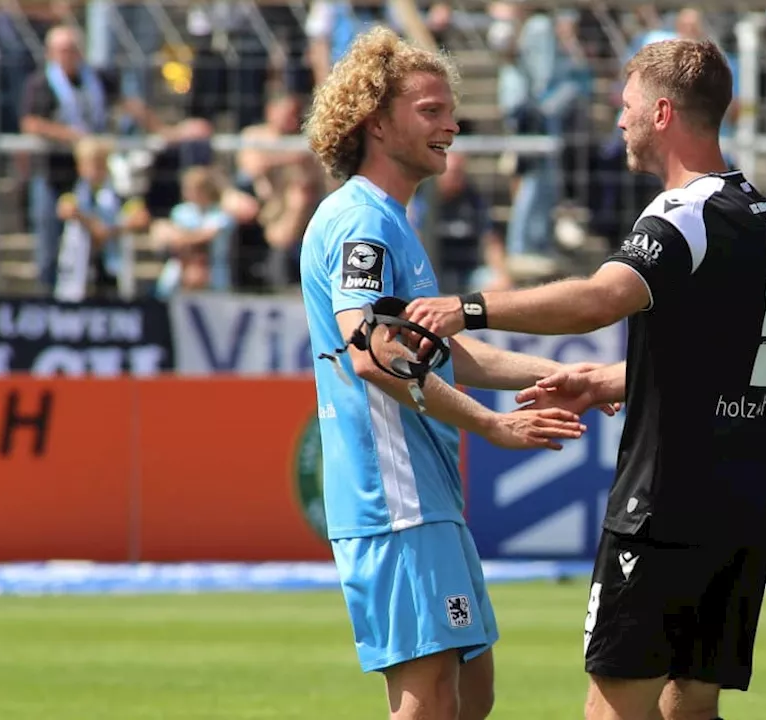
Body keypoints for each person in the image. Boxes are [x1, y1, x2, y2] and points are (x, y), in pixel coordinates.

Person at [404, 37, 766, 720]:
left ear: (665, 113)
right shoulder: (759, 214)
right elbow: (732, 352)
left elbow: (598, 298)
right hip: (746, 500)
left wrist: (468, 309)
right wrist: (613, 382)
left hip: (668, 501)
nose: (620, 120)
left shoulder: (683, 214)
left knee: (612, 707)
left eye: (628, 106)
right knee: (691, 704)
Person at [297, 26, 600, 720]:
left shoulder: (392, 221)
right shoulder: (360, 225)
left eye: (448, 109)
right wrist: (492, 423)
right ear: (378, 122)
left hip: (425, 496)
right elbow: (372, 353)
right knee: (431, 702)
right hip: (394, 498)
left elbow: (445, 352)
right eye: (430, 110)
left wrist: (563, 375)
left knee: (471, 696)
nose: (451, 124)